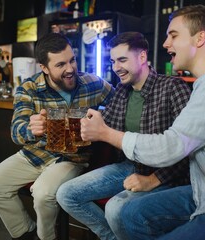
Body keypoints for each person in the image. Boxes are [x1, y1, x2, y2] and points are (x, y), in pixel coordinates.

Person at [80, 5, 205, 240]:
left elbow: (171, 147)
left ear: (199, 39)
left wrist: (106, 133)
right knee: (129, 214)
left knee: (123, 210)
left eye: (173, 35)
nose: (166, 44)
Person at [56, 32, 191, 240]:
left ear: (143, 57)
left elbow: (188, 147)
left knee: (115, 209)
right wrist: (54, 126)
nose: (116, 67)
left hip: (164, 172)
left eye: (122, 60)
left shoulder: (173, 87)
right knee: (66, 194)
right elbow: (101, 128)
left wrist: (153, 179)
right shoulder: (121, 90)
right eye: (112, 61)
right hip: (129, 166)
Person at [0, 33, 114, 240]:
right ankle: (27, 232)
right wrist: (30, 129)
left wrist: (103, 118)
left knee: (43, 194)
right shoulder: (29, 89)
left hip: (71, 158)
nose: (70, 69)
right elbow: (16, 131)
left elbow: (121, 101)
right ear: (44, 68)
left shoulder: (92, 83)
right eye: (60, 64)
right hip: (36, 154)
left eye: (72, 60)